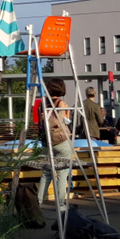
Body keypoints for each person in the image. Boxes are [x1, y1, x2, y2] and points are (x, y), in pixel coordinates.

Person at [37, 78, 74, 210]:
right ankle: (60, 204)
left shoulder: (42, 103)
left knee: (46, 172)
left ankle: (39, 202)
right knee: (62, 173)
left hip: (46, 141)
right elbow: (66, 121)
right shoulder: (61, 103)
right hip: (61, 140)